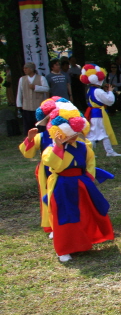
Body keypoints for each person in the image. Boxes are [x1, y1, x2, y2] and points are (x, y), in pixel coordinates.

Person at [42, 102, 114, 262]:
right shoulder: (51, 149)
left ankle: (86, 241)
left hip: (81, 185)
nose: (75, 136)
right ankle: (64, 249)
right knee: (66, 216)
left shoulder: (83, 147)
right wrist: (58, 148)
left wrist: (87, 179)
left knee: (85, 213)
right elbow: (51, 163)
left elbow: (90, 163)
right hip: (62, 185)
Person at [20, 97, 61, 237]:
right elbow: (28, 153)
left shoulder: (68, 134)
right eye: (50, 119)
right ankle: (53, 225)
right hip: (47, 171)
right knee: (49, 197)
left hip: (65, 170)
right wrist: (30, 139)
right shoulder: (42, 136)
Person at [81, 64, 121, 157]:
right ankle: (106, 152)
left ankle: (92, 152)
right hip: (98, 114)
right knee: (100, 133)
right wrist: (110, 91)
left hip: (93, 113)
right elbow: (110, 101)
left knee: (94, 133)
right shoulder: (98, 91)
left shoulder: (89, 89)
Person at [16, 62, 49, 133]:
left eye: (26, 68)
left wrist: (35, 87)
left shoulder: (41, 78)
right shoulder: (22, 79)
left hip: (38, 106)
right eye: (24, 68)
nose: (24, 70)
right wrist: (19, 104)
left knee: (40, 126)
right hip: (26, 106)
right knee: (28, 126)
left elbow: (46, 89)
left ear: (32, 69)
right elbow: (19, 92)